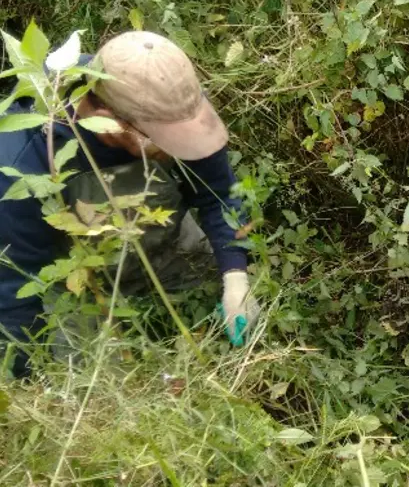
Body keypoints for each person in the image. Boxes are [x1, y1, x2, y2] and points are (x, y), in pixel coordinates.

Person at [0, 31, 260, 378]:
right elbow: (15, 290)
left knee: (253, 296)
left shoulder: (166, 99)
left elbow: (219, 195)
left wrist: (235, 277)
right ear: (108, 119)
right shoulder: (19, 162)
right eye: (163, 140)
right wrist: (26, 380)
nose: (175, 148)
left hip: (161, 236)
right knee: (85, 382)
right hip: (67, 278)